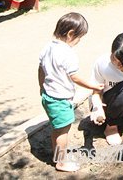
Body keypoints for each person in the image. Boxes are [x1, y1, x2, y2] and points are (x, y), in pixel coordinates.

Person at [38, 12, 104, 172]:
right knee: (63, 131)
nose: (79, 41)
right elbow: (74, 77)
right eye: (79, 37)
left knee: (57, 129)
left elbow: (40, 69)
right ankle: (60, 162)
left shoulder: (48, 47)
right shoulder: (68, 54)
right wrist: (93, 87)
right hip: (60, 100)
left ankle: (57, 153)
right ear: (70, 34)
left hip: (48, 96)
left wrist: (41, 87)